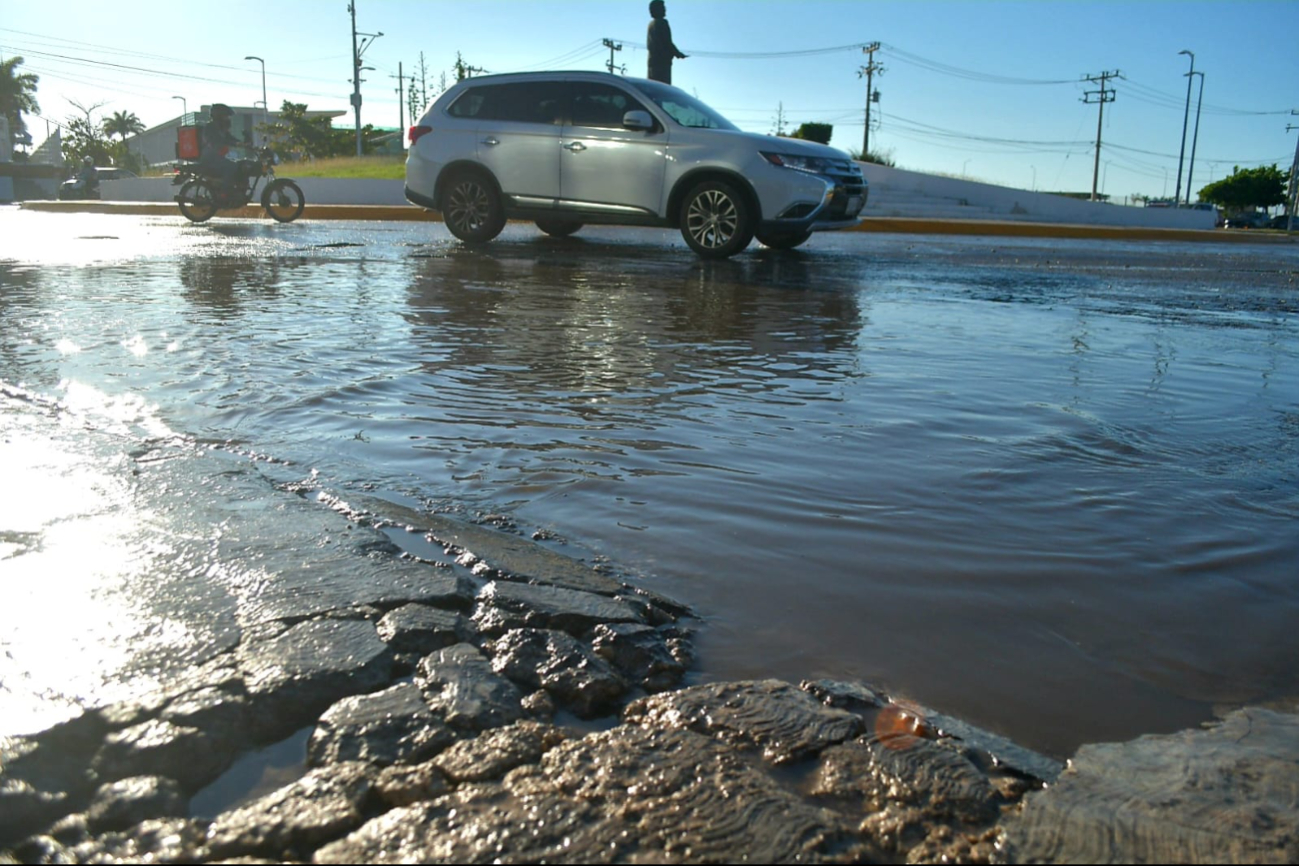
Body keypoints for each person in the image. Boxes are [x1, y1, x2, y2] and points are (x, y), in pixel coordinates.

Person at [198, 103, 242, 189]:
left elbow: (230, 138)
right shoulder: (210, 127)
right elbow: (216, 141)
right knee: (231, 166)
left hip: (217, 157)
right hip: (209, 158)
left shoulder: (221, 129)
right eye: (226, 116)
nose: (227, 119)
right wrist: (235, 143)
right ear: (219, 116)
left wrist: (242, 143)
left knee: (241, 165)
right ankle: (224, 192)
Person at [646, 0, 686, 85]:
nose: (665, 10)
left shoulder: (650, 25)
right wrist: (678, 54)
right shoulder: (663, 23)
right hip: (662, 63)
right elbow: (668, 42)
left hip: (652, 62)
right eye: (663, 8)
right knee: (663, 87)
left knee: (653, 86)